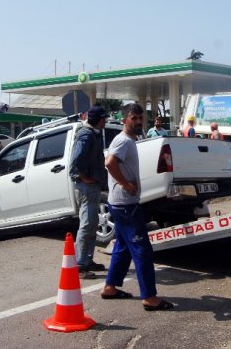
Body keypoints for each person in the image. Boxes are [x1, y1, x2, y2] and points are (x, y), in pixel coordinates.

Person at [100, 103, 174, 311]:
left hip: (124, 204)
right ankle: (149, 298)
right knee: (142, 250)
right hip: (125, 204)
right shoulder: (123, 141)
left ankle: (110, 288)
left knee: (123, 248)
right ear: (124, 120)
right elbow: (109, 162)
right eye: (135, 118)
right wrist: (126, 184)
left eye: (141, 119)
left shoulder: (130, 140)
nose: (139, 122)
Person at [69, 105, 109, 279]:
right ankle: (80, 265)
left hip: (92, 185)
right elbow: (76, 160)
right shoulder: (86, 135)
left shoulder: (93, 134)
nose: (105, 121)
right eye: (103, 118)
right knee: (86, 225)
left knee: (92, 224)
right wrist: (84, 177)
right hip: (87, 187)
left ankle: (87, 260)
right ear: (97, 120)